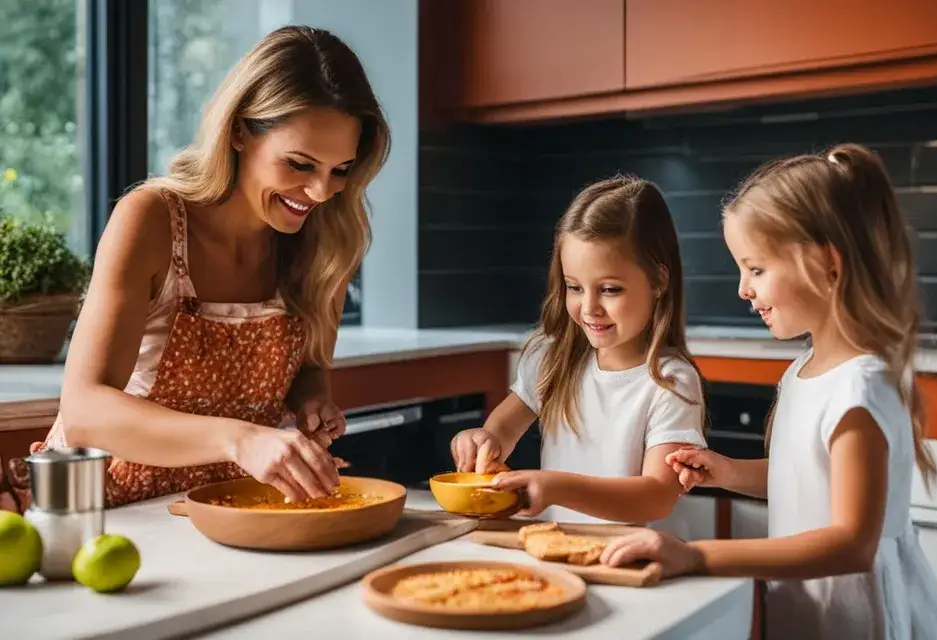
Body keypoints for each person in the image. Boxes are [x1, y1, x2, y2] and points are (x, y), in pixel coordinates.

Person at [1, 25, 391, 512]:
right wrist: (241, 439)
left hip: (225, 508)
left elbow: (310, 368)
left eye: (340, 170)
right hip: (105, 507)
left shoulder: (329, 241)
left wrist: (311, 400)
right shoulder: (151, 219)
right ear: (239, 131)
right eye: (299, 164)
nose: (319, 192)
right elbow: (85, 412)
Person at [601, 144, 937, 640]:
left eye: (756, 269)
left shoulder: (859, 390)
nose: (743, 289)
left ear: (827, 264)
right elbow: (805, 478)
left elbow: (852, 543)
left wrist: (697, 555)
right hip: (812, 609)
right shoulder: (805, 369)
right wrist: (728, 471)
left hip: (864, 618)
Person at [450, 176, 707, 529]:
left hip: (633, 557)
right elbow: (500, 431)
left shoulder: (671, 382)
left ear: (659, 280)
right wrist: (479, 441)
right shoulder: (553, 359)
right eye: (574, 287)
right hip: (555, 547)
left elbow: (657, 496)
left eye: (610, 289)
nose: (589, 308)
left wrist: (556, 488)